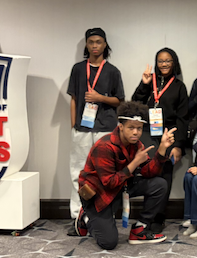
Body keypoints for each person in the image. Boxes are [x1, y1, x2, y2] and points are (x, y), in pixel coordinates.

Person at [71, 101, 173, 249]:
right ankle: (85, 217)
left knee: (159, 184)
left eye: (139, 128)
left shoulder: (137, 145)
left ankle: (139, 229)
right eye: (131, 128)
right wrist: (134, 163)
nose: (135, 132)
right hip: (99, 195)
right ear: (121, 127)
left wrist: (162, 149)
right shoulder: (105, 146)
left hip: (121, 187)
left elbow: (149, 172)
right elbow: (109, 183)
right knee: (108, 242)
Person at [66, 28, 125, 230]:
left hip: (106, 128)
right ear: (86, 45)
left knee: (105, 173)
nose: (94, 46)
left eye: (98, 42)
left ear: (105, 45)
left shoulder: (113, 71)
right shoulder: (78, 69)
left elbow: (119, 101)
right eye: (90, 42)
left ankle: (103, 214)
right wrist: (73, 124)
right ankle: (78, 215)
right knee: (78, 172)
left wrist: (100, 98)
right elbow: (73, 98)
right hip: (82, 128)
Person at [132, 47, 189, 233]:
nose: (164, 64)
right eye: (161, 61)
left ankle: (158, 218)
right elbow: (135, 104)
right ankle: (145, 215)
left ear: (174, 63)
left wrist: (179, 145)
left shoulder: (179, 86)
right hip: (148, 134)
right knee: (149, 174)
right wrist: (144, 84)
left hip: (168, 135)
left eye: (168, 61)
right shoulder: (150, 81)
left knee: (165, 176)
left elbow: (182, 118)